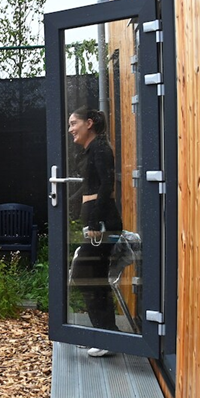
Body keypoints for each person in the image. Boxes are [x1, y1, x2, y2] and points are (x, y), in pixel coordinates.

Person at [67, 107, 122, 357]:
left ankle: (106, 336)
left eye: (73, 123)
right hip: (96, 224)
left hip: (102, 224)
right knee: (91, 275)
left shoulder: (100, 148)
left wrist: (94, 223)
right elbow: (91, 186)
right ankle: (104, 333)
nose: (71, 129)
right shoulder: (92, 149)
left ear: (89, 123)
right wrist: (71, 202)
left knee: (86, 275)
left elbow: (107, 185)